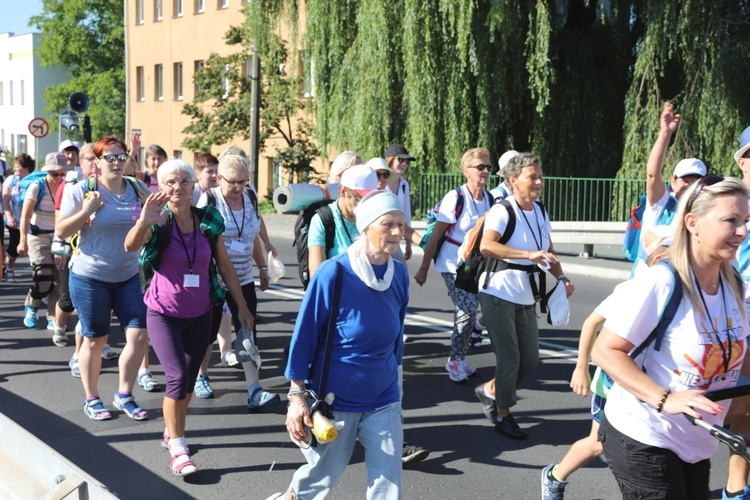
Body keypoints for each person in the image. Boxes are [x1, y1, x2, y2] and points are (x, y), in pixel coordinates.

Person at [591, 175, 750, 499]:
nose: (743, 232)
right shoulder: (663, 282)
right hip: (644, 434)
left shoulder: (733, 282)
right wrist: (667, 399)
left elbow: (740, 354)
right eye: (730, 221)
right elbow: (605, 351)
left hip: (694, 441)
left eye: (746, 220)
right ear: (693, 223)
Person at [125, 159, 253, 476]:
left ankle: (172, 429)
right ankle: (178, 448)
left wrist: (242, 306)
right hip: (163, 314)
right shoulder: (157, 219)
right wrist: (143, 222)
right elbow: (130, 246)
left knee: (189, 383)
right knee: (177, 378)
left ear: (193, 185)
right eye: (170, 182)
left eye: (184, 181)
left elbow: (224, 266)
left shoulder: (207, 219)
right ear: (160, 186)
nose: (177, 187)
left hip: (201, 312)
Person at [278, 191, 408, 499]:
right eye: (388, 224)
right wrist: (296, 396)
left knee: (388, 485)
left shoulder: (399, 273)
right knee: (323, 477)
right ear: (365, 227)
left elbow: (396, 337)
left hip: (384, 396)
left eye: (401, 225)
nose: (397, 232)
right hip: (337, 399)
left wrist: (398, 389)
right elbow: (304, 335)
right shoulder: (333, 272)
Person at [541, 225, 674, 499]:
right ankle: (555, 476)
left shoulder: (686, 291)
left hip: (647, 384)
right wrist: (581, 368)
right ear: (660, 258)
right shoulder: (634, 288)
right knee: (598, 444)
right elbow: (592, 322)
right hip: (613, 383)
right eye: (677, 250)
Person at [474, 152, 574, 439]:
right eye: (533, 177)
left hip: (525, 292)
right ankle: (503, 414)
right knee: (509, 357)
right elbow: (487, 246)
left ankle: (490, 390)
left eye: (540, 177)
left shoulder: (540, 211)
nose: (539, 182)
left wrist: (562, 276)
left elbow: (549, 250)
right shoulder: (502, 210)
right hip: (497, 289)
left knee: (530, 358)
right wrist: (527, 254)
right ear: (513, 180)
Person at [57, 135, 151, 422]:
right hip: (90, 276)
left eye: (121, 157)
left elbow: (151, 228)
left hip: (128, 274)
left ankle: (124, 394)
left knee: (139, 334)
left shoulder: (138, 189)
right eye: (109, 157)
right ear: (96, 162)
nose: (116, 162)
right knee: (96, 339)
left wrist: (151, 216)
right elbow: (61, 231)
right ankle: (92, 398)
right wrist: (86, 211)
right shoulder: (82, 191)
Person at [196, 154, 278, 409]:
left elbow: (251, 235)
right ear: (219, 178)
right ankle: (201, 376)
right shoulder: (209, 200)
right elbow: (197, 241)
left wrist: (262, 266)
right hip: (213, 279)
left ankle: (254, 389)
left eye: (243, 182)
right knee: (207, 333)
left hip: (242, 277)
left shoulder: (250, 198)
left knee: (247, 329)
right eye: (233, 182)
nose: (238, 187)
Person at [414, 147, 495, 383]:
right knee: (467, 310)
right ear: (466, 171)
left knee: (470, 311)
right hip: (451, 261)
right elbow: (436, 236)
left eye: (488, 167)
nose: (485, 171)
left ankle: (459, 358)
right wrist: (424, 268)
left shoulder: (489, 199)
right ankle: (454, 360)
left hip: (475, 262)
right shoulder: (456, 198)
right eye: (480, 167)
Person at [633, 101, 706, 276]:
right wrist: (665, 133)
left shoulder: (703, 214)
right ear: (673, 181)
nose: (689, 186)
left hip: (683, 285)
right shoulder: (662, 204)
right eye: (685, 180)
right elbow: (652, 174)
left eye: (696, 181)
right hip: (648, 282)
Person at [17, 152, 69, 340]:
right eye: (55, 174)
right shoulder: (37, 187)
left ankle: (53, 317)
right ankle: (31, 306)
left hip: (60, 238)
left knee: (59, 282)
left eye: (63, 174)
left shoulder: (68, 187)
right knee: (43, 277)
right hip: (37, 236)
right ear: (47, 172)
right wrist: (22, 240)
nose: (59, 178)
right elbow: (25, 215)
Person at [307, 164, 378, 278]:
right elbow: (317, 276)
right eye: (358, 198)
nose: (364, 204)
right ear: (342, 191)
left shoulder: (375, 218)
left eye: (369, 198)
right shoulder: (323, 220)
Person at [2, 153, 35, 283]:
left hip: (31, 220)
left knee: (34, 247)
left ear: (26, 168)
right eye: (14, 166)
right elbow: (5, 199)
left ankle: (38, 276)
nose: (15, 169)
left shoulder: (34, 180)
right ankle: (9, 268)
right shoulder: (11, 180)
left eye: (18, 167)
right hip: (15, 220)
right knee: (14, 247)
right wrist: (9, 216)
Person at [384, 144, 415, 262]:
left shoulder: (404, 184)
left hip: (394, 235)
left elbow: (406, 214)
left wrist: (408, 243)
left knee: (402, 268)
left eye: (407, 162)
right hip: (380, 233)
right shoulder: (380, 182)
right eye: (401, 160)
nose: (404, 164)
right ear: (390, 159)